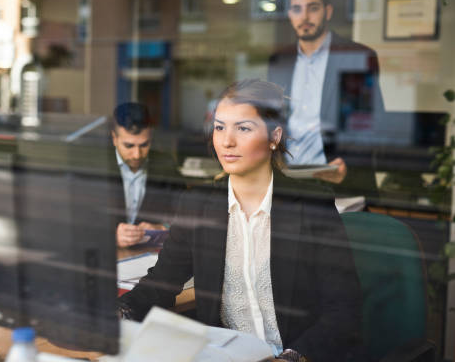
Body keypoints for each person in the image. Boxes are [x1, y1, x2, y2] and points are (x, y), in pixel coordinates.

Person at [118, 80, 363, 362]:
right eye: (220, 127)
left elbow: (344, 312)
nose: (226, 141)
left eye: (243, 128)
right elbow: (159, 285)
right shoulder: (199, 205)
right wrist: (117, 313)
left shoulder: (310, 206)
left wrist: (291, 358)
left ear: (274, 137)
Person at [268, 0, 383, 196]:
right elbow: (272, 119)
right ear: (290, 15)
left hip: (339, 180)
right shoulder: (279, 60)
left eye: (313, 8)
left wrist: (347, 166)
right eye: (296, 9)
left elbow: (366, 121)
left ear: (327, 12)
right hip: (289, 182)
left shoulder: (356, 56)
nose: (304, 17)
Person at [111, 102, 178, 247]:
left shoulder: (165, 164)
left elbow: (185, 214)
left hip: (150, 254)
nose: (137, 155)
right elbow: (78, 219)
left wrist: (163, 228)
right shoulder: (98, 164)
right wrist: (110, 236)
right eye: (129, 146)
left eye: (144, 145)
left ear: (151, 137)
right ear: (114, 138)